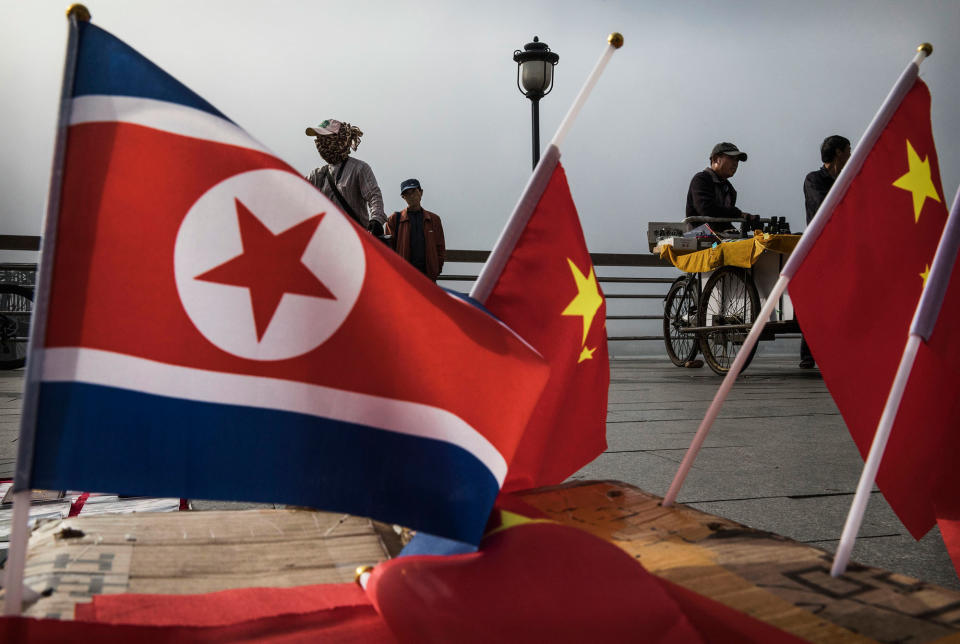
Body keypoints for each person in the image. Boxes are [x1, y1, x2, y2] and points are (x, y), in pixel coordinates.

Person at [798, 135, 851, 369]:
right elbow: (822, 206)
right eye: (848, 150)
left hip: (844, 246)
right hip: (820, 247)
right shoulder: (814, 179)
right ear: (838, 153)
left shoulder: (846, 179)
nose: (851, 154)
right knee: (818, 302)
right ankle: (808, 354)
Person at [305, 119, 387, 236]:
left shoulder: (359, 168)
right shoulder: (317, 175)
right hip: (327, 239)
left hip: (355, 239)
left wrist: (376, 220)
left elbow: (374, 196)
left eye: (325, 138)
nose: (320, 142)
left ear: (339, 138)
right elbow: (295, 190)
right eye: (319, 138)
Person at [685, 142, 758, 228]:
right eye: (731, 158)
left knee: (759, 239)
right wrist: (739, 214)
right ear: (715, 159)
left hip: (720, 237)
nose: (735, 163)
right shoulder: (701, 179)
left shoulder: (730, 190)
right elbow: (706, 209)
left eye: (737, 160)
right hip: (699, 237)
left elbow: (724, 221)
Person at [385, 179, 445, 282]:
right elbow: (388, 249)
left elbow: (440, 247)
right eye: (407, 194)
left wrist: (435, 269)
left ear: (421, 192)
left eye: (413, 191)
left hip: (428, 276)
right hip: (404, 276)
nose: (411, 196)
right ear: (403, 197)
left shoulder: (434, 219)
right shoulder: (394, 219)